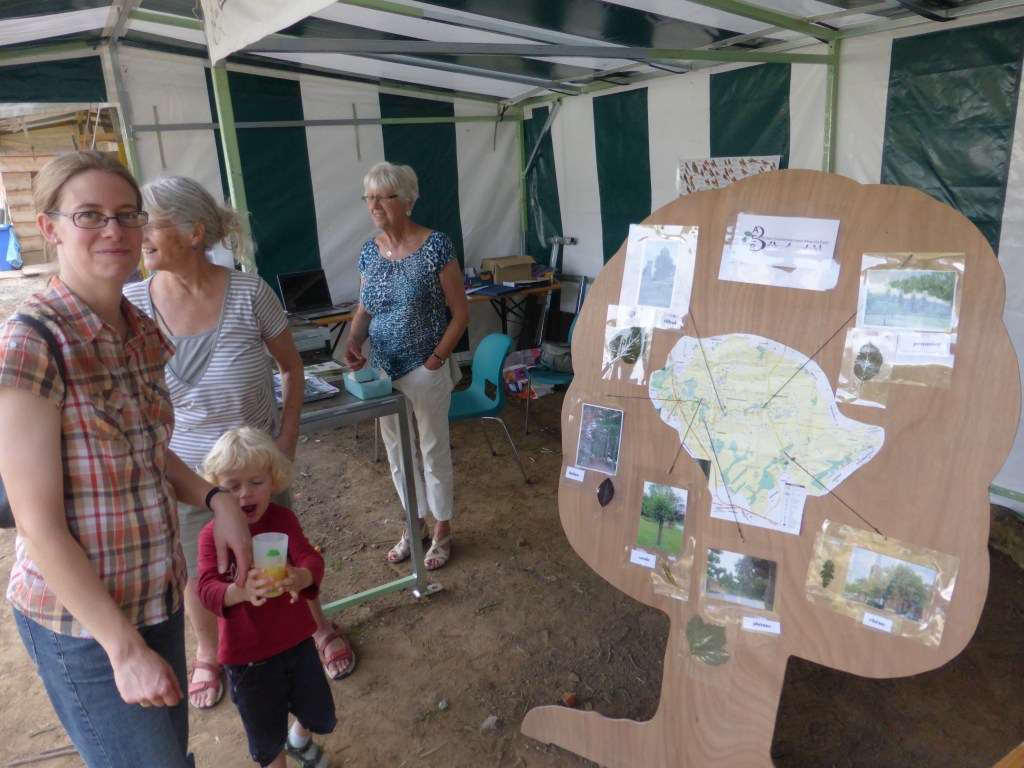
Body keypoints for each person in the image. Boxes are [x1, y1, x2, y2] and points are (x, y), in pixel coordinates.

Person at [0, 150, 251, 768]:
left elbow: (149, 448)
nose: (113, 230)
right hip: (84, 626)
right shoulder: (34, 340)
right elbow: (37, 523)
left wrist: (217, 499)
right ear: (50, 227)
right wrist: (122, 648)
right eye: (90, 215)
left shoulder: (139, 327)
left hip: (157, 592)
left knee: (168, 754)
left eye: (126, 214)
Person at [123, 177, 355, 710]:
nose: (137, 233)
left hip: (254, 471)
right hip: (186, 476)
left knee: (278, 552)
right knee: (198, 567)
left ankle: (311, 629)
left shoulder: (250, 293)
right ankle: (210, 650)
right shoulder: (131, 303)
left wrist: (286, 442)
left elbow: (293, 370)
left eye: (147, 221)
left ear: (192, 231)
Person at [344, 161, 469, 570]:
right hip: (383, 372)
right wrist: (353, 341)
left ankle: (442, 528)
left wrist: (437, 359)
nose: (375, 205)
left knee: (433, 450)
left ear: (409, 201)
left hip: (424, 366)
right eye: (370, 197)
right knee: (398, 454)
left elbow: (460, 313)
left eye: (384, 196)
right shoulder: (369, 251)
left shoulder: (436, 246)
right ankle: (413, 523)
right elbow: (365, 309)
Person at [196, 427, 336, 768]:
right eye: (232, 486)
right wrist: (238, 592)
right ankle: (282, 752)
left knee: (318, 711)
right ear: (217, 488)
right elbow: (205, 589)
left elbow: (310, 559)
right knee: (267, 740)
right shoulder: (213, 535)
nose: (245, 494)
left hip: (297, 642)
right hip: (248, 659)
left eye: (256, 482)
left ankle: (299, 741)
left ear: (273, 481)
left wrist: (301, 576)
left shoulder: (283, 520)